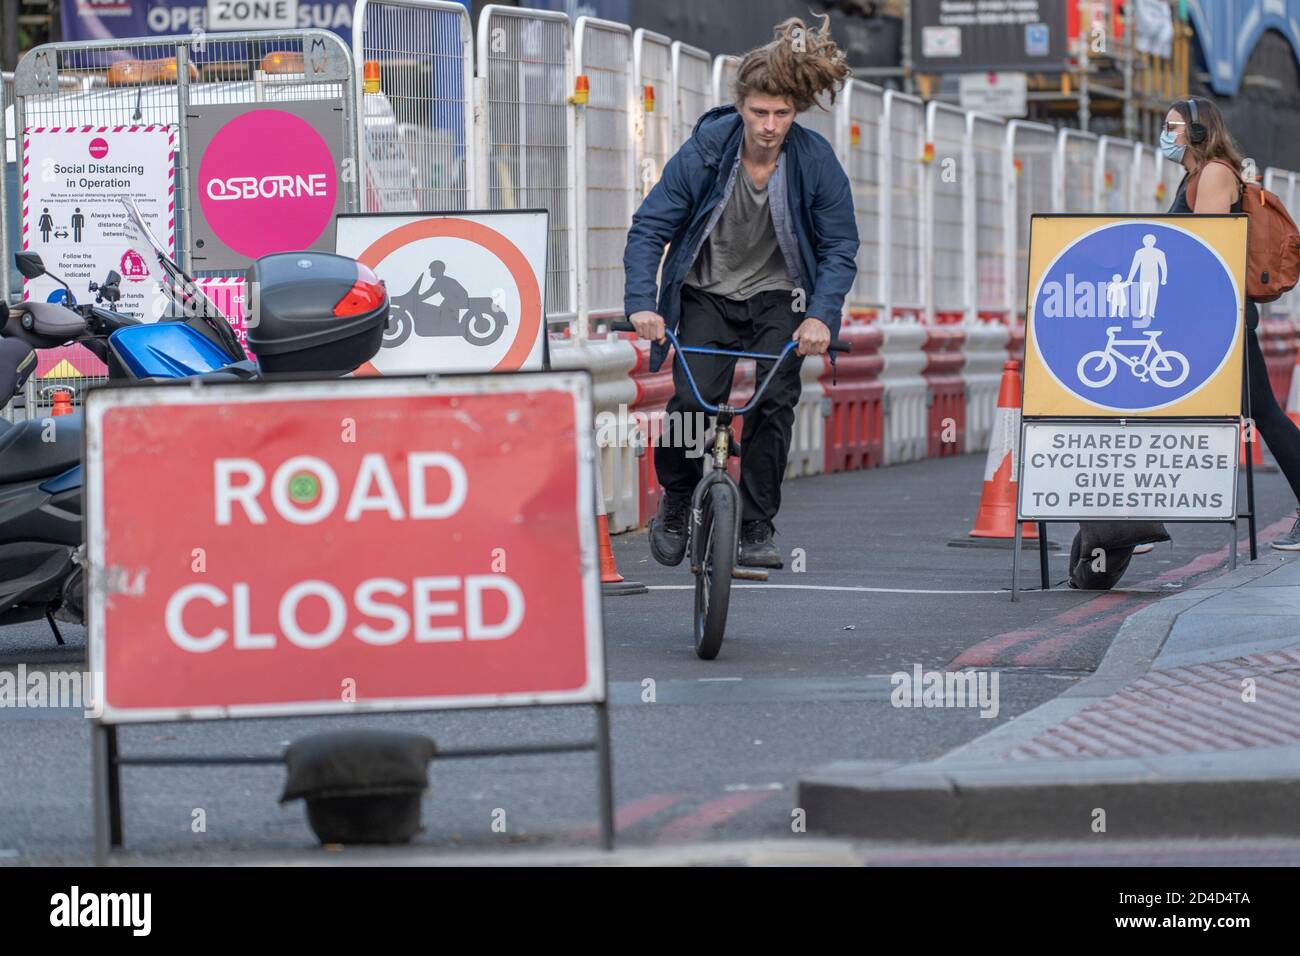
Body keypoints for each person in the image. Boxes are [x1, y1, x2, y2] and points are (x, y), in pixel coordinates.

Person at [622, 15, 858, 569]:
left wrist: (821, 317)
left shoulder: (816, 161)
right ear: (740, 105)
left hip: (782, 300)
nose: (770, 126)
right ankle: (677, 499)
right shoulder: (708, 147)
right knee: (690, 403)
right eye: (759, 112)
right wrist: (640, 302)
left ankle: (756, 523)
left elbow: (839, 247)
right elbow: (651, 226)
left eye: (781, 114)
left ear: (794, 113)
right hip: (707, 295)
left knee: (774, 403)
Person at [1163, 96, 1300, 549]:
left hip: (1219, 320)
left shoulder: (1216, 173)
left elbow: (1208, 248)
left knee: (1263, 413)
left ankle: (1134, 520)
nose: (1167, 133)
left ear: (1200, 131)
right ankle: (1136, 520)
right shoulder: (1194, 177)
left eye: (1175, 125)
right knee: (1260, 413)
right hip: (1210, 318)